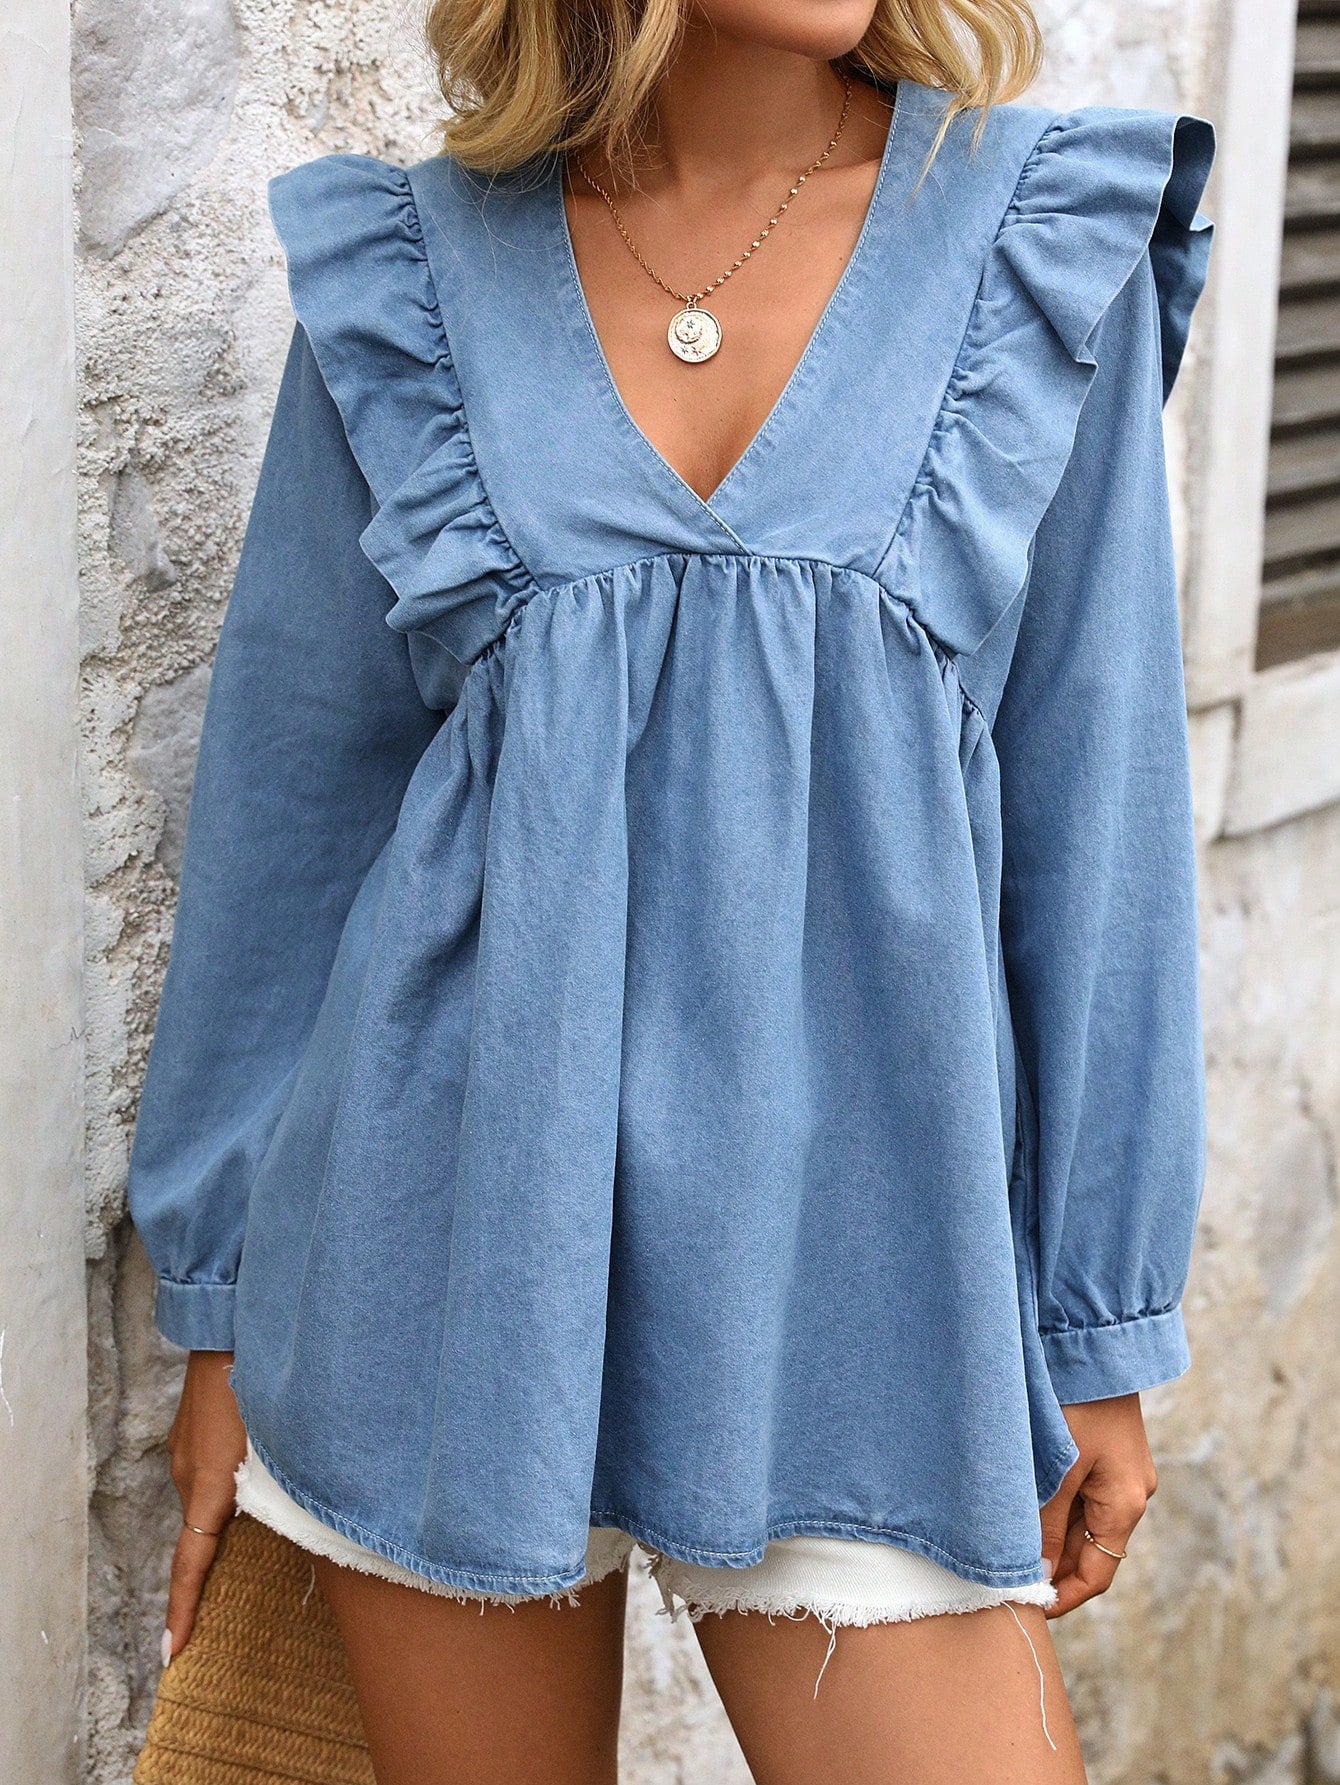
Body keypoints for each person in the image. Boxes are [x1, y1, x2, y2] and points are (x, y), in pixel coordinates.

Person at [128, 0, 1215, 1778]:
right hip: (449, 1265)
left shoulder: (1034, 245)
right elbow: (295, 807)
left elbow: (1100, 808)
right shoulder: (411, 279)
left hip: (873, 1285)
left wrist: (1097, 1321)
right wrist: (225, 1320)